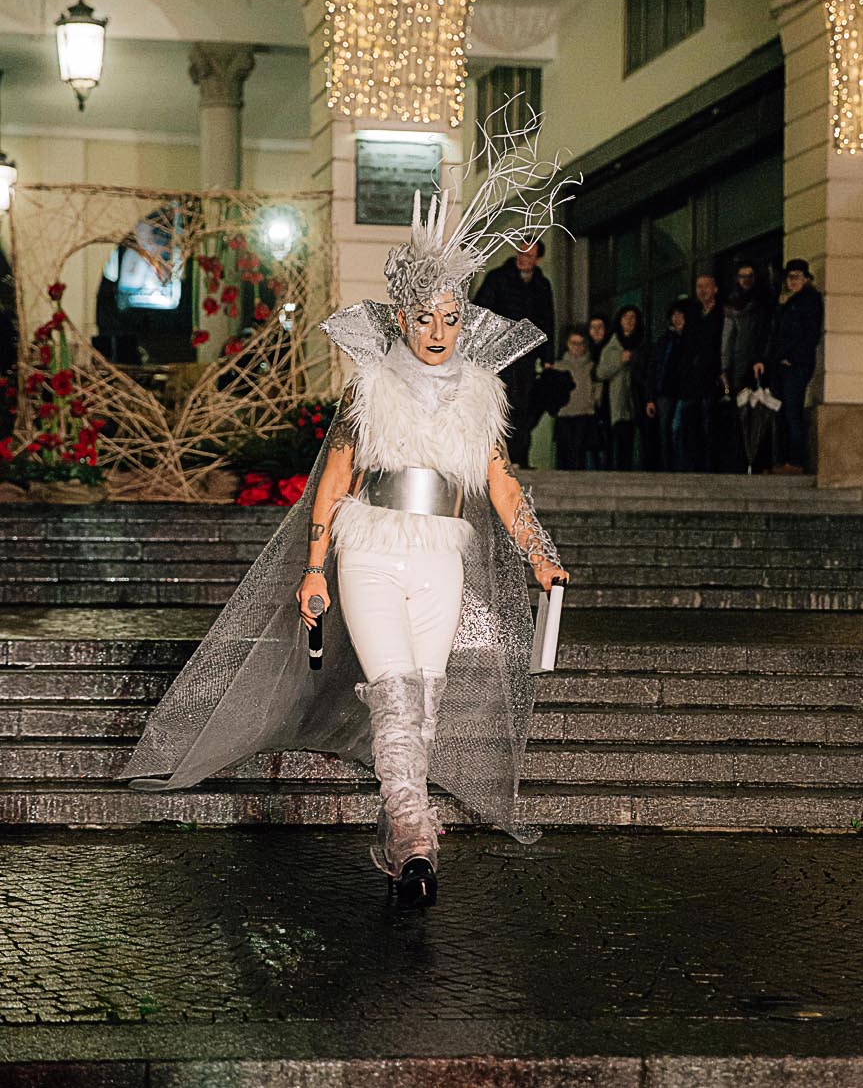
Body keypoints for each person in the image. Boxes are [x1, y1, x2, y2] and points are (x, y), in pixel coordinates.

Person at [120, 165, 570, 912]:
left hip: (441, 558)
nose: (436, 333)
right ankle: (414, 833)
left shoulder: (483, 397)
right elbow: (334, 480)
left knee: (423, 700)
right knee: (393, 695)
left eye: (450, 318)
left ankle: (403, 830)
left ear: (464, 320)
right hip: (368, 549)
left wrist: (541, 556)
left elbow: (501, 485)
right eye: (423, 317)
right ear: (400, 316)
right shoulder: (371, 386)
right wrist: (315, 568)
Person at [473, 239, 555, 467]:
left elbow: (547, 321)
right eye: (521, 252)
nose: (523, 258)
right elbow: (481, 311)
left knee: (523, 406)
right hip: (499, 352)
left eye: (529, 255)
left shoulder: (541, 285)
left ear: (537, 259)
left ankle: (519, 457)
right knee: (499, 403)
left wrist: (548, 358)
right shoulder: (498, 278)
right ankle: (495, 457)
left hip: (526, 355)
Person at [754, 258, 824, 474]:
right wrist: (765, 359)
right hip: (780, 364)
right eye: (790, 277)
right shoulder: (786, 302)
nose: (792, 281)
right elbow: (774, 333)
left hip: (795, 364)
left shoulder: (810, 300)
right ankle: (781, 460)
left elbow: (809, 334)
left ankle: (796, 461)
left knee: (792, 412)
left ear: (806, 278)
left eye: (796, 277)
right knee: (780, 413)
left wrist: (792, 357)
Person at [721, 262, 773, 471]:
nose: (746, 281)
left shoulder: (763, 303)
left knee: (759, 413)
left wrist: (762, 358)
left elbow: (767, 335)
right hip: (738, 368)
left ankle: (758, 461)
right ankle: (742, 461)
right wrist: (724, 368)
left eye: (750, 276)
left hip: (757, 365)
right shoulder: (732, 305)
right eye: (742, 276)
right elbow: (728, 339)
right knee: (740, 415)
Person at [672, 273, 725, 472]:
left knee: (708, 426)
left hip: (710, 379)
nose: (702, 290)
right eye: (699, 287)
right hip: (690, 381)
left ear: (715, 289)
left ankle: (709, 467)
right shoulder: (693, 314)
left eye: (706, 286)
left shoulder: (721, 313)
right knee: (688, 427)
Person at [594, 305, 645, 471]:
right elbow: (601, 372)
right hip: (615, 403)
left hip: (635, 401)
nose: (629, 321)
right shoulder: (612, 345)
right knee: (615, 442)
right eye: (626, 317)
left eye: (633, 318)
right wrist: (620, 361)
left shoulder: (642, 344)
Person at [646, 299, 689, 472]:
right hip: (665, 392)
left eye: (681, 315)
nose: (677, 318)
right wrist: (650, 397)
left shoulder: (690, 340)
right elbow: (654, 370)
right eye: (675, 315)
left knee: (678, 430)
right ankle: (668, 467)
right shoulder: (665, 341)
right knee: (666, 432)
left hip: (685, 392)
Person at [554, 328, 594, 470]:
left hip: (585, 412)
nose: (577, 347)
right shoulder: (558, 366)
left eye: (581, 343)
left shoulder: (591, 366)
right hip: (564, 413)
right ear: (567, 344)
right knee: (564, 452)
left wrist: (593, 402)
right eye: (574, 343)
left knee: (579, 452)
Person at [586, 314, 610, 470]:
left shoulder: (608, 350)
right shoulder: (586, 350)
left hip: (605, 399)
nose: (596, 331)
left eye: (600, 327)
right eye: (593, 328)